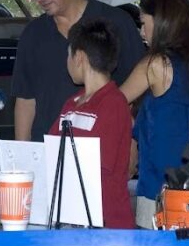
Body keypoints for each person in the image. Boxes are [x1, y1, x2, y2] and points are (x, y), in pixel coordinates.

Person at [11, 0, 145, 142]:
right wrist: (21, 152)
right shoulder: (33, 34)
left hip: (102, 150)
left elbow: (140, 90)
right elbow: (25, 100)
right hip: (46, 150)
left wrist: (130, 143)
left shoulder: (115, 23)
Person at [120, 0, 189, 229]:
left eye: (143, 23)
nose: (141, 31)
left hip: (159, 189)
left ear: (161, 22)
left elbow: (112, 101)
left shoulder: (157, 63)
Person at [47, 20, 135, 229]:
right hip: (72, 222)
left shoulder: (113, 103)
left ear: (79, 57)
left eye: (68, 55)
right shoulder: (71, 104)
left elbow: (96, 168)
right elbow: (48, 155)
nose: (67, 62)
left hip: (107, 227)